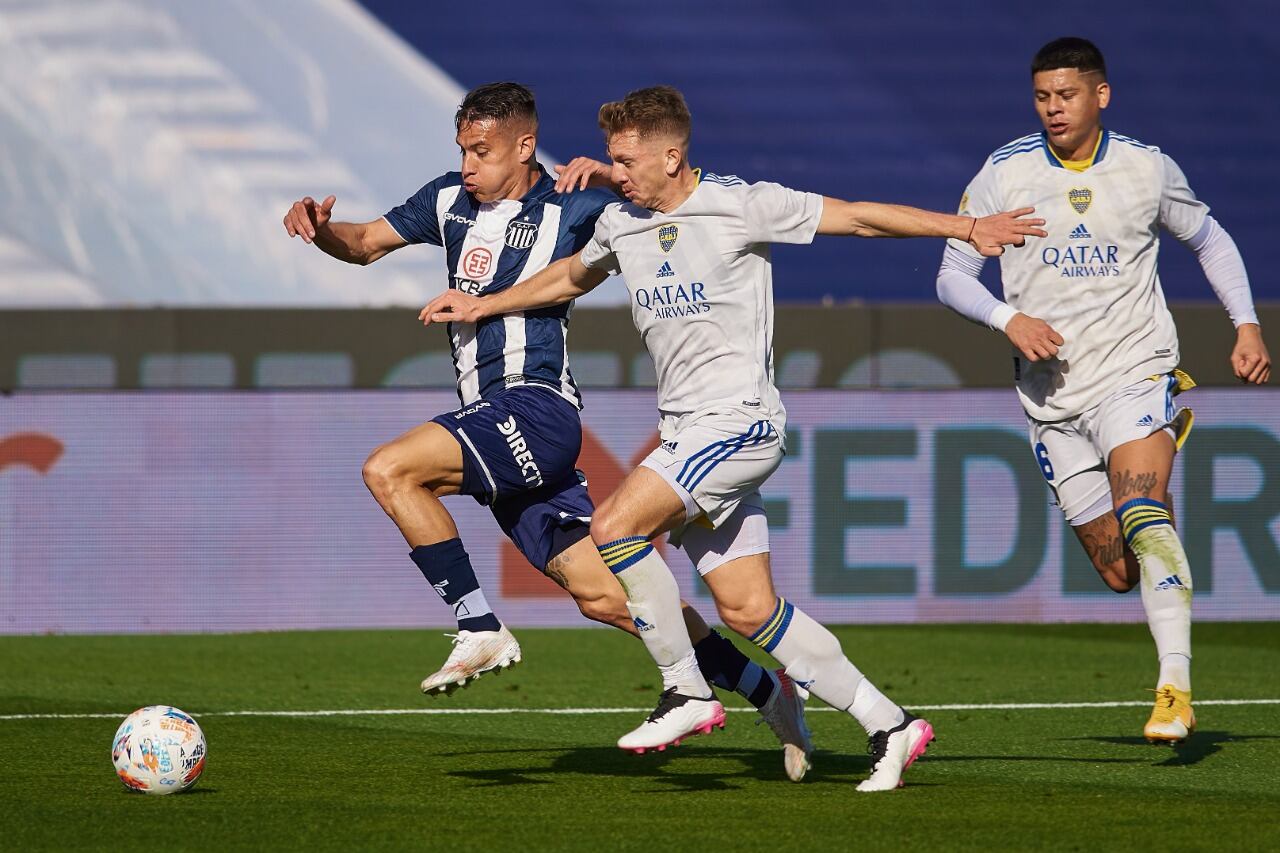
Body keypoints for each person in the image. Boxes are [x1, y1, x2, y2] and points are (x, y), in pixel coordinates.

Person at [422, 85, 1045, 790]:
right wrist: (484, 303)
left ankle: (687, 691)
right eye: (613, 161)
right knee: (748, 607)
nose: (613, 172)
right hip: (685, 430)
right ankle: (891, 724)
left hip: (740, 420)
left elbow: (861, 218)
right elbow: (567, 275)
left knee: (615, 527)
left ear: (671, 154)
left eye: (626, 161)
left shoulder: (741, 203)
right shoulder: (622, 223)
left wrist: (965, 231)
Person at [283, 82, 812, 780]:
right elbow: (364, 243)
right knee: (611, 599)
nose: (469, 164)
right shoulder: (446, 201)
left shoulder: (575, 206)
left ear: (525, 145)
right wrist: (321, 229)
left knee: (390, 468)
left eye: (483, 150)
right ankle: (766, 688)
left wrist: (610, 177)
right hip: (491, 420)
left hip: (536, 408)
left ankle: (479, 625)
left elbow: (662, 203)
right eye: (463, 150)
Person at [935, 37, 1270, 744]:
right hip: (1052, 399)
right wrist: (1009, 317)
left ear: (1101, 95)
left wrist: (1246, 326)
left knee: (1143, 508)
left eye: (1067, 95)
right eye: (1042, 97)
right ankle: (1153, 548)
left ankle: (1174, 687)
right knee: (1118, 569)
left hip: (1134, 371)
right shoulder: (1004, 171)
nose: (1053, 109)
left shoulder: (1146, 168)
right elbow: (951, 275)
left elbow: (1211, 239)